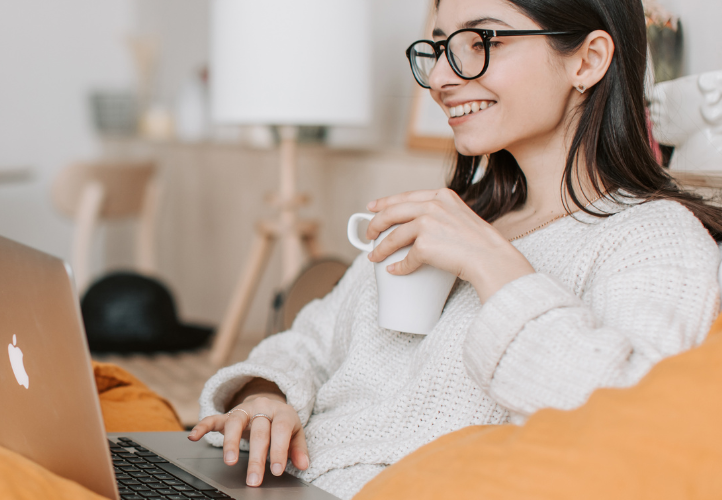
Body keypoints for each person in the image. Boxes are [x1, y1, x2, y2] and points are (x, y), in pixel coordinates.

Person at [190, 0, 722, 498]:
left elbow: (630, 423)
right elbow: (308, 341)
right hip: (279, 479)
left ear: (588, 60)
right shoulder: (456, 215)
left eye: (482, 41)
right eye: (441, 47)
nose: (442, 78)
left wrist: (493, 265)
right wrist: (265, 397)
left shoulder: (652, 238)